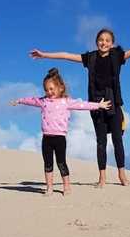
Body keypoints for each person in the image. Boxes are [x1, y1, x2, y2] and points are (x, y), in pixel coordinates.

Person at [29, 29, 130, 187]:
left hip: (114, 104)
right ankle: (102, 178)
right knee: (101, 142)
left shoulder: (117, 56)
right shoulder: (90, 58)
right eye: (101, 40)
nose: (104, 43)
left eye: (107, 40)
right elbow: (66, 55)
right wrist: (44, 55)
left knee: (118, 140)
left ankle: (122, 176)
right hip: (97, 105)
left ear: (112, 43)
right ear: (97, 41)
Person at [11, 67, 111, 196]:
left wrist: (98, 105)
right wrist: (19, 101)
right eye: (46, 90)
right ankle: (49, 188)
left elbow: (82, 105)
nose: (49, 92)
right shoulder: (43, 102)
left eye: (51, 89)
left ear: (60, 88)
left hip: (59, 138)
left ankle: (67, 187)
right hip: (46, 138)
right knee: (48, 164)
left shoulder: (66, 102)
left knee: (61, 162)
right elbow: (31, 100)